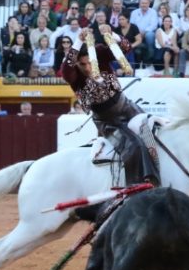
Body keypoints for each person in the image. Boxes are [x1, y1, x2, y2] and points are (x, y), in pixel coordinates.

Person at [61, 26, 160, 186]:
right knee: (133, 145)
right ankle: (134, 186)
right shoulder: (73, 73)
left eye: (88, 63)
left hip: (126, 106)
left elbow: (125, 48)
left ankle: (158, 177)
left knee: (152, 132)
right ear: (77, 63)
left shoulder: (99, 52)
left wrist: (111, 33)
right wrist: (79, 40)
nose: (87, 67)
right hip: (106, 121)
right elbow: (65, 70)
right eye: (82, 64)